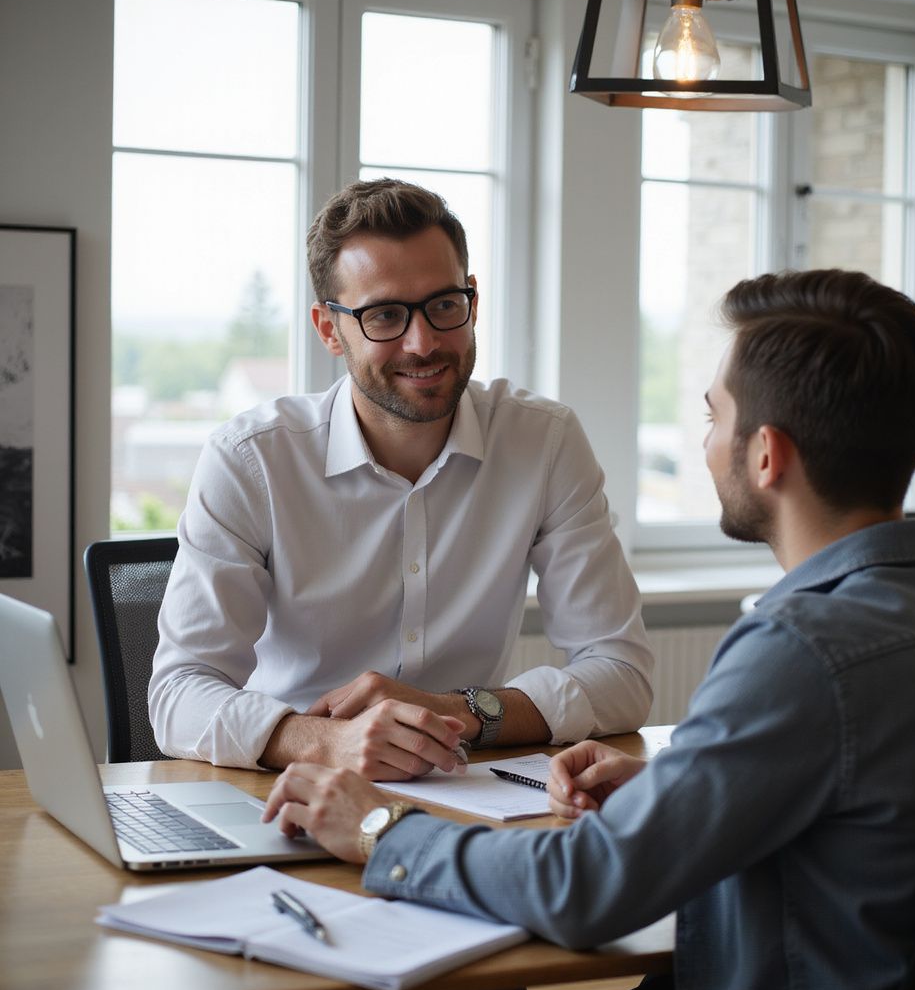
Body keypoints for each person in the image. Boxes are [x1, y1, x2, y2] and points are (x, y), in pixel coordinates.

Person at [262, 268, 915, 990]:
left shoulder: (802, 650)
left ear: (766, 455)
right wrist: (682, 787)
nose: (704, 443)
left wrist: (377, 825)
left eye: (713, 417)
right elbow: (867, 813)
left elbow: (585, 890)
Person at [150, 178, 653, 778]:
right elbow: (178, 694)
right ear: (329, 328)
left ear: (472, 299)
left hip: (470, 795)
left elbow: (622, 675)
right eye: (385, 315)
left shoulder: (543, 442)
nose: (424, 342)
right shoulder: (251, 460)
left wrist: (454, 713)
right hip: (287, 789)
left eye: (444, 305)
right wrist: (324, 742)